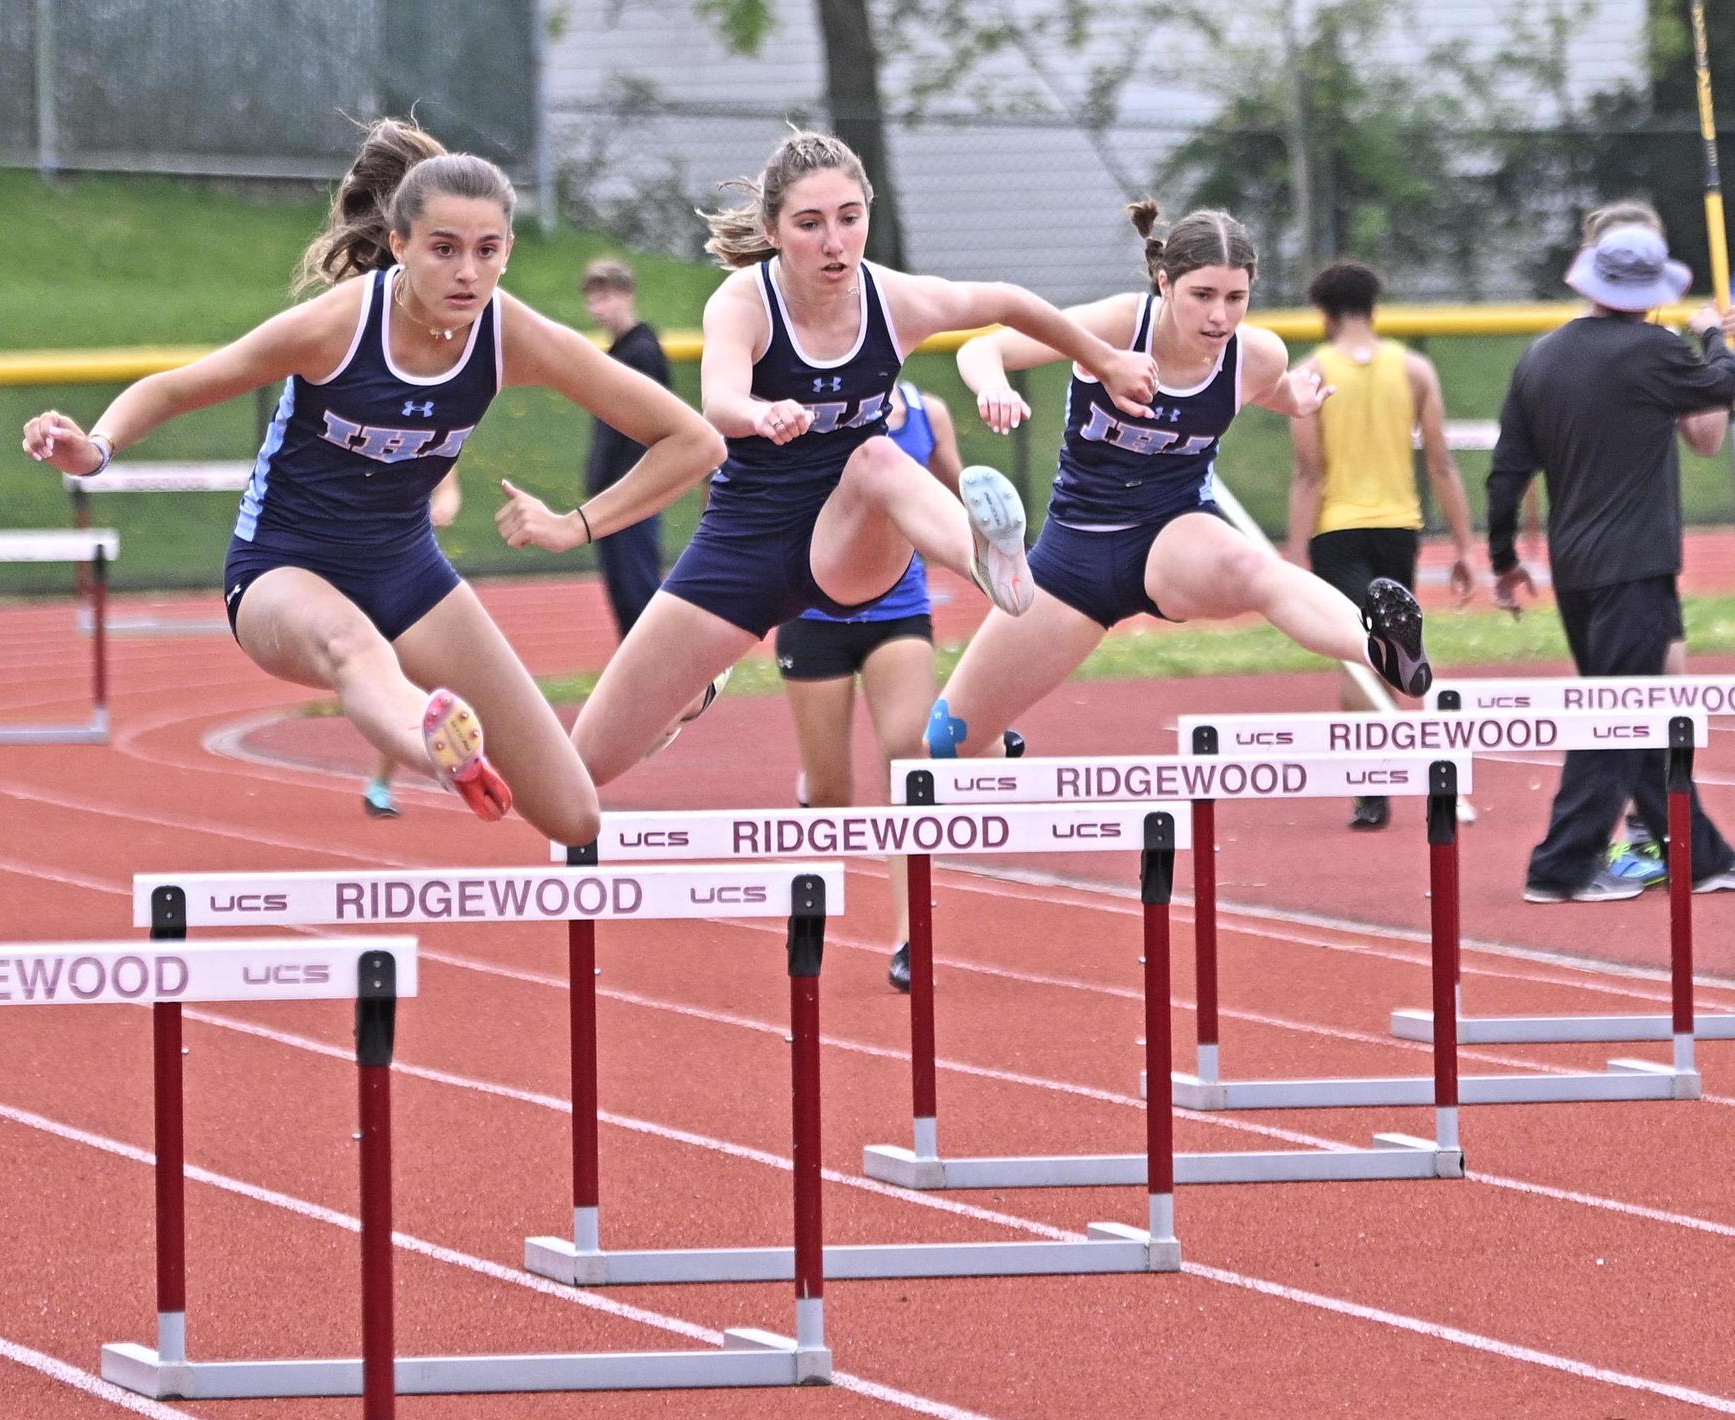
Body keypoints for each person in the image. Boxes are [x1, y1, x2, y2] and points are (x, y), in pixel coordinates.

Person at [23, 119, 723, 848]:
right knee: (352, 643)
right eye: (444, 250)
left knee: (574, 815)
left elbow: (692, 441)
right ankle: (440, 753)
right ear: (400, 246)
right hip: (283, 566)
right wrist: (94, 449)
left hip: (405, 570)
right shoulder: (335, 326)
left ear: (508, 253)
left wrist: (574, 524)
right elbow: (175, 388)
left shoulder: (510, 334)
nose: (467, 274)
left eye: (487, 252)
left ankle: (663, 701)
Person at [565, 128, 1161, 787]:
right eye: (810, 224)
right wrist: (761, 414)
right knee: (581, 766)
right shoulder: (743, 303)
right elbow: (719, 402)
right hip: (745, 543)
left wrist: (1104, 359)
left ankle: (986, 558)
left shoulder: (895, 300)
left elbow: (1008, 302)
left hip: (847, 541)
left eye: (850, 219)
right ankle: (685, 698)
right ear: (772, 228)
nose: (834, 243)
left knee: (878, 458)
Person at [928, 201, 1433, 764]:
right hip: (1074, 557)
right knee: (948, 743)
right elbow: (984, 347)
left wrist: (1299, 398)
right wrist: (993, 386)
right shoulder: (1122, 324)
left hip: (1175, 534)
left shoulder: (1256, 355)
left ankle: (1378, 646)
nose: (1220, 317)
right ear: (1165, 284)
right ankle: (1001, 751)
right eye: (1203, 296)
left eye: (1236, 299)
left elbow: (1278, 389)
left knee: (1253, 569)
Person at [1487, 221, 1735, 901]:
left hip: (1576, 569)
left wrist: (1504, 558)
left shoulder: (1540, 357)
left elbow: (1507, 472)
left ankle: (1703, 856)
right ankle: (1560, 866)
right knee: (1617, 717)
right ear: (1651, 291)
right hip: (1636, 566)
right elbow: (1724, 383)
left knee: (1631, 712)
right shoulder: (1655, 350)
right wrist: (1714, 330)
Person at [774, 380, 1023, 991]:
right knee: (833, 797)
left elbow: (955, 499)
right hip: (812, 616)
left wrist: (992, 543)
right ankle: (813, 869)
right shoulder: (796, 408)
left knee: (909, 762)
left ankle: (911, 936)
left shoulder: (928, 411)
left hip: (898, 610)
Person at [1287, 258, 1476, 830]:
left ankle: (1372, 786)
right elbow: (1440, 463)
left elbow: (1309, 474)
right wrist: (1465, 546)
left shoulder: (1311, 372)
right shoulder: (1415, 369)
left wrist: (1295, 557)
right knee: (1384, 646)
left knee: (1360, 649)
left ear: (1323, 312)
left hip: (1337, 529)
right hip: (1400, 525)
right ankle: (1383, 773)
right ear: (1374, 305)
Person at [580, 257, 673, 637]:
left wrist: (628, 489)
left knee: (638, 595)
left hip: (631, 497)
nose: (599, 305)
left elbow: (650, 430)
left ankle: (661, 678)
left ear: (627, 294)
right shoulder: (619, 350)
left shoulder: (642, 352)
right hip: (614, 497)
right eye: (593, 296)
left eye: (608, 294)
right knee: (624, 595)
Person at [363, 469, 461, 816]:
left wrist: (443, 507)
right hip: (357, 569)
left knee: (411, 679)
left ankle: (380, 785)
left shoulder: (430, 438)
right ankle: (383, 783)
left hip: (408, 575)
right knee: (386, 679)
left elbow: (448, 489)